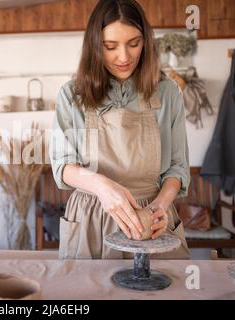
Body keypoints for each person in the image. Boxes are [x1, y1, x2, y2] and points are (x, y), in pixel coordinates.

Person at [49, 0, 190, 259]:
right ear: (94, 45)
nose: (124, 57)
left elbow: (178, 168)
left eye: (134, 43)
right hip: (91, 217)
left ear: (146, 41)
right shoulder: (72, 95)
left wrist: (160, 206)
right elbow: (63, 166)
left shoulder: (168, 93)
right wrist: (102, 186)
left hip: (153, 220)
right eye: (110, 46)